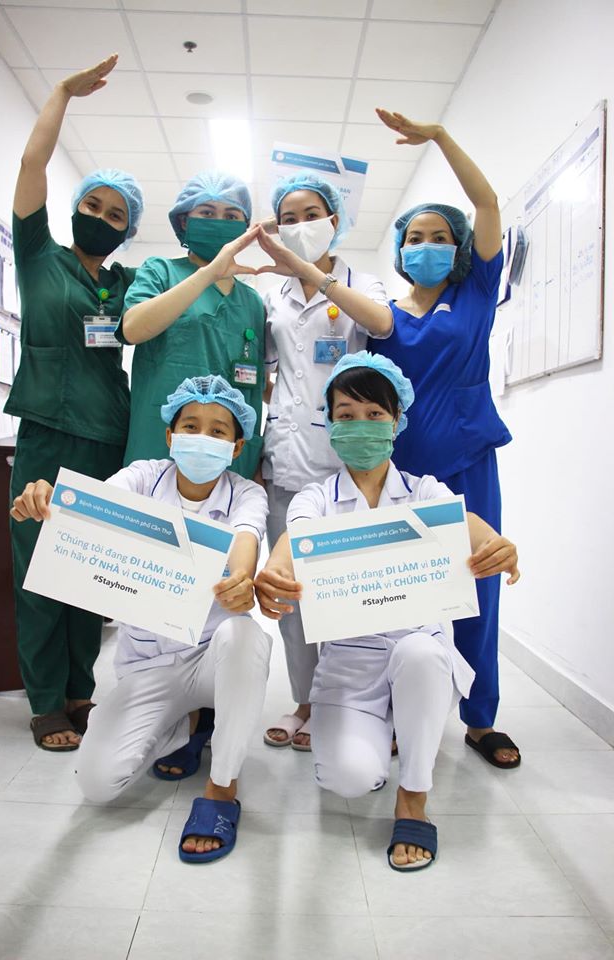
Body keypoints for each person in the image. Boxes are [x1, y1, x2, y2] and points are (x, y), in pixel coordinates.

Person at [255, 352, 519, 870]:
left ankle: (414, 796)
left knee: (420, 653)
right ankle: (389, 730)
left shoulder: (423, 490)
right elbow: (294, 539)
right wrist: (276, 572)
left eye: (375, 414)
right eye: (346, 414)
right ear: (329, 424)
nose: (361, 425)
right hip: (350, 668)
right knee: (349, 779)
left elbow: (466, 525)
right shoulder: (315, 498)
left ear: (397, 422)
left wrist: (498, 545)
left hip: (418, 657)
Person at [11, 375, 272, 863]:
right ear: (170, 436)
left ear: (237, 447)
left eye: (218, 431)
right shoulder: (142, 478)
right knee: (97, 783)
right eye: (190, 426)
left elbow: (246, 540)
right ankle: (191, 722)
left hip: (213, 658)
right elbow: (93, 509)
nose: (202, 437)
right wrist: (51, 499)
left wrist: (240, 580)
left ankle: (222, 788)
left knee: (245, 635)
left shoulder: (245, 494)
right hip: (150, 663)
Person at [370, 109, 518, 769]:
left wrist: (438, 138)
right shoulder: (381, 316)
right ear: (400, 249)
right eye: (415, 236)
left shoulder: (476, 290)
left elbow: (487, 203)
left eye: (439, 236)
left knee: (478, 590)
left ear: (457, 248)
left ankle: (480, 719)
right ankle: (396, 710)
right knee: (403, 594)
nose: (426, 245)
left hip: (468, 463)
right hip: (400, 475)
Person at [5, 54, 144, 752]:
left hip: (108, 438)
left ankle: (80, 691)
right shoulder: (39, 256)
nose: (101, 218)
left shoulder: (127, 283)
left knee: (91, 572)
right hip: (45, 432)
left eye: (116, 214)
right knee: (38, 571)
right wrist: (61, 92)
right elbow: (32, 165)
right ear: (74, 208)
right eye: (93, 206)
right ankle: (44, 702)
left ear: (127, 229)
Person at [255, 172, 394, 750]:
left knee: (354, 592)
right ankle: (306, 703)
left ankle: (360, 703)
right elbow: (268, 372)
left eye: (310, 214)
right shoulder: (273, 296)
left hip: (348, 463)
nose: (299, 226)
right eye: (287, 218)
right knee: (294, 600)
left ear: (334, 220)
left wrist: (310, 272)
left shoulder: (364, 282)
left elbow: (381, 324)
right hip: (286, 463)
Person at [117, 172, 265, 478]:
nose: (219, 221)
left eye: (231, 216)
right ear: (184, 221)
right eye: (207, 213)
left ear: (244, 229)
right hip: (159, 446)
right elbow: (132, 329)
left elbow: (254, 387)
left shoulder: (251, 301)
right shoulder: (160, 272)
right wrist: (208, 274)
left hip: (227, 456)